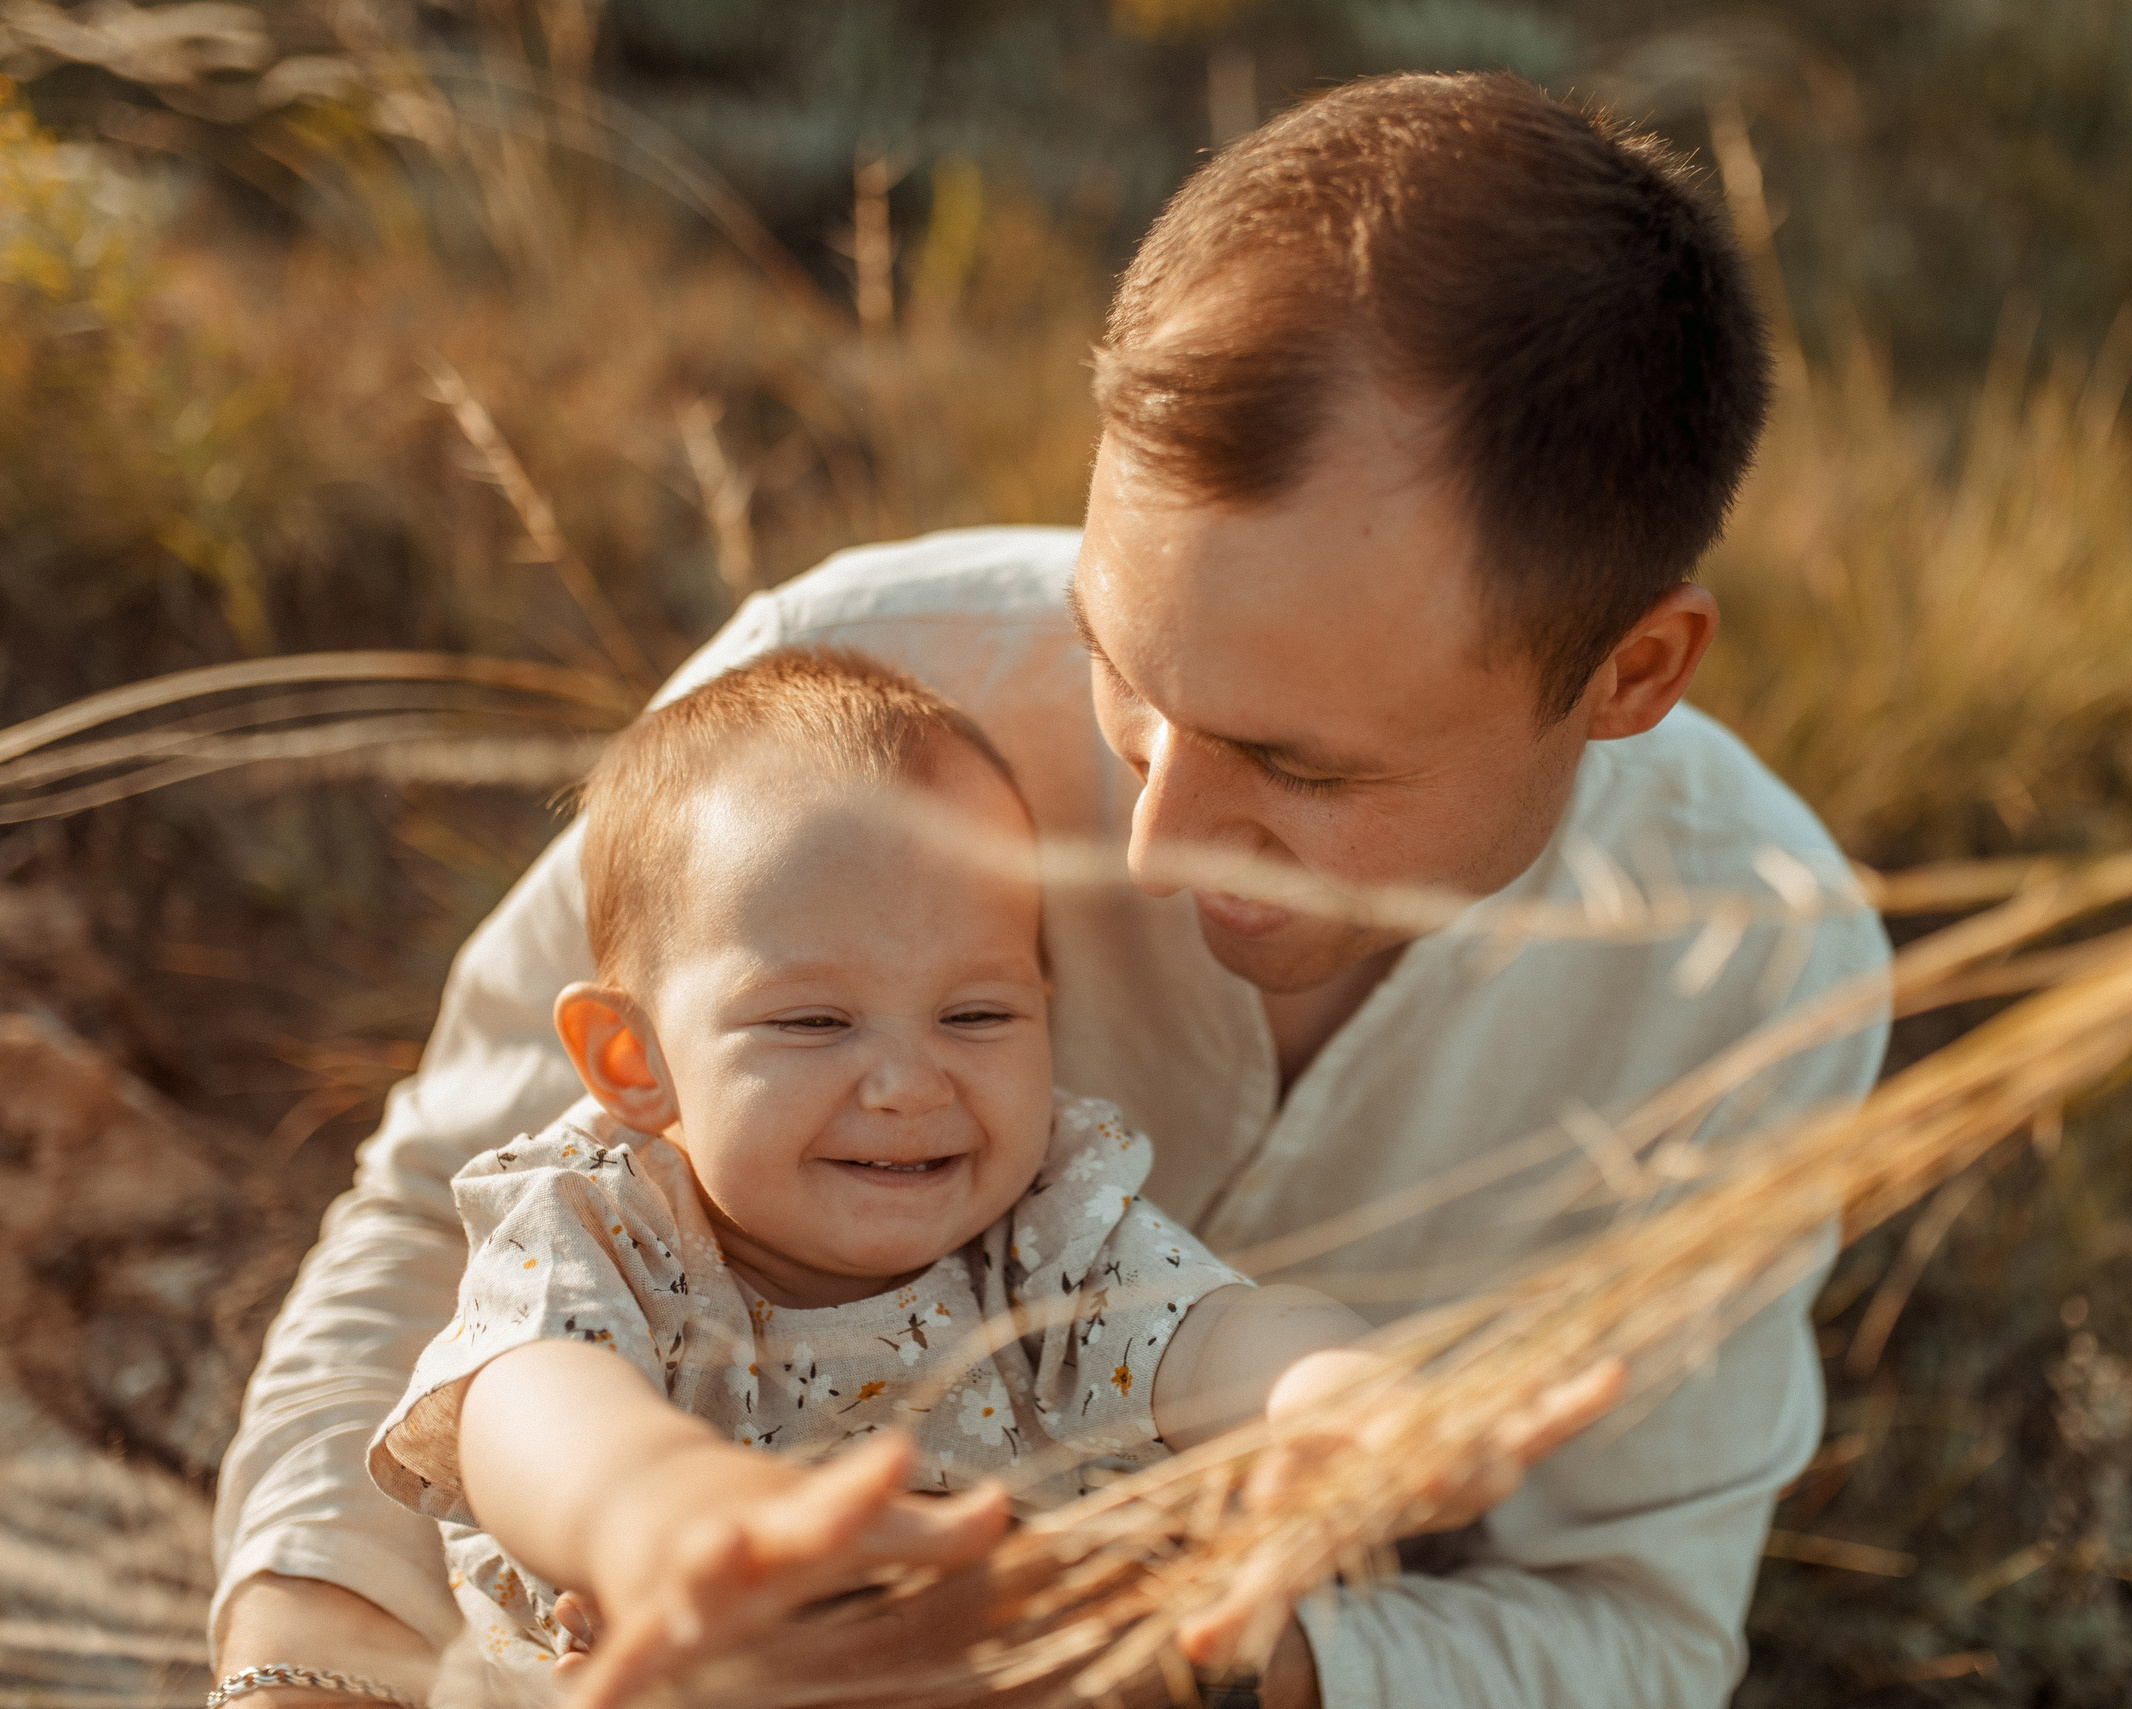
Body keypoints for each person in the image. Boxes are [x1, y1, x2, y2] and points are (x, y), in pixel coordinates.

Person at [212, 71, 1889, 1709]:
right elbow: (443, 1236)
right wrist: (307, 1676)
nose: (1149, 845)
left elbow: (1633, 1630)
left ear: (1631, 669)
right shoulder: (839, 701)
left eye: (1297, 766)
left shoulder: (1756, 966)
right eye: (1117, 673)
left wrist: (1170, 1649)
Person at [373, 647, 1611, 1709]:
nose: (909, 1083)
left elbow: (1216, 1328)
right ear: (633, 1056)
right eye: (811, 1023)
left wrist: (1335, 1392)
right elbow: (526, 1398)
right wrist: (656, 1507)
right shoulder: (605, 1222)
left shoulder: (1046, 1230)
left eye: (975, 1014)